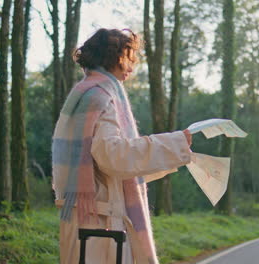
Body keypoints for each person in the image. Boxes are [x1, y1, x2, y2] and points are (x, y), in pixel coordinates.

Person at [52, 28, 192, 264]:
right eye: (129, 57)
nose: (131, 66)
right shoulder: (101, 96)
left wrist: (174, 150)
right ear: (113, 56)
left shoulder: (84, 93)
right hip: (101, 223)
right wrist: (173, 144)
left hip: (86, 217)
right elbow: (112, 157)